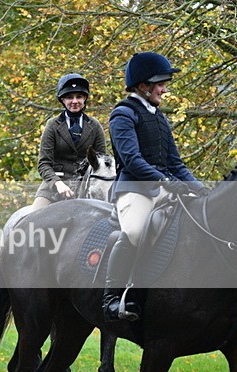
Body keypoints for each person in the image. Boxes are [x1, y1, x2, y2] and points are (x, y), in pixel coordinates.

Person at [102, 52, 207, 323]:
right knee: (135, 231)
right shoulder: (123, 114)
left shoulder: (159, 118)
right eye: (160, 83)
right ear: (142, 86)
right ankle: (112, 298)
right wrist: (166, 182)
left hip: (163, 189)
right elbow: (132, 161)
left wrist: (202, 190)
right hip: (134, 190)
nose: (164, 88)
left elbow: (176, 163)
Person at [29, 73, 107, 210]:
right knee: (32, 219)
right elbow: (43, 164)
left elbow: (101, 162)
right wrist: (57, 184)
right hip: (54, 187)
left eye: (79, 97)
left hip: (86, 187)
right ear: (62, 100)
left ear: (85, 99)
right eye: (70, 97)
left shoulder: (94, 126)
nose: (75, 101)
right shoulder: (52, 125)